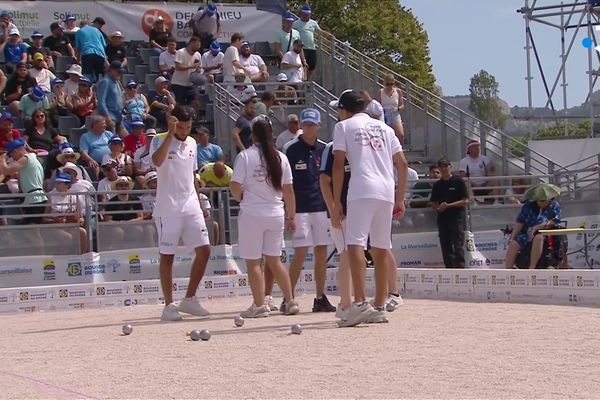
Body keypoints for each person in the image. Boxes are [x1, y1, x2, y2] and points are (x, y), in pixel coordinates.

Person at [331, 90, 408, 326]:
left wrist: (336, 202)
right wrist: (400, 198)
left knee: (355, 244)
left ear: (345, 109)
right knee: (381, 247)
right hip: (386, 189)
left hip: (361, 188)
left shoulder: (343, 127)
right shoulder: (385, 128)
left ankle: (360, 303)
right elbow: (402, 165)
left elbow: (337, 165)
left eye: (339, 109)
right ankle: (379, 305)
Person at [230, 116, 299, 318]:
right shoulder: (280, 157)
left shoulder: (245, 156)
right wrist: (292, 216)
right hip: (276, 212)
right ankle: (290, 300)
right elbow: (289, 191)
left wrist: (240, 197)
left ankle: (259, 304)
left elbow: (234, 185)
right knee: (275, 260)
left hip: (252, 213)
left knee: (253, 262)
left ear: (252, 135)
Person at [150, 105, 212, 321]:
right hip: (168, 207)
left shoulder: (193, 143)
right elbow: (157, 161)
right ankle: (168, 305)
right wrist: (170, 133)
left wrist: (201, 201)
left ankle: (190, 298)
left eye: (188, 127)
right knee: (168, 256)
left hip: (191, 204)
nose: (185, 132)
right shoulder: (159, 139)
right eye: (182, 127)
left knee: (204, 251)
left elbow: (193, 175)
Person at [283, 108, 336, 312]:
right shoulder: (291, 148)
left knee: (322, 251)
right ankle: (288, 297)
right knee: (301, 252)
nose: (308, 128)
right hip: (300, 208)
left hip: (321, 207)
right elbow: (286, 183)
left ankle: (320, 297)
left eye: (312, 124)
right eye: (305, 124)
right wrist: (290, 213)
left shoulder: (326, 149)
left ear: (319, 126)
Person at [430, 158, 469, 269]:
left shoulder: (459, 181)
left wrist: (449, 205)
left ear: (450, 167)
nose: (444, 169)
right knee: (445, 246)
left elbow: (466, 200)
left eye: (446, 166)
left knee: (458, 245)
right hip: (442, 219)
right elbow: (433, 203)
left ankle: (461, 269)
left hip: (456, 218)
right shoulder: (437, 185)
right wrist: (438, 207)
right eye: (441, 167)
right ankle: (450, 270)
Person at [505, 193, 561, 270]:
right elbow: (520, 222)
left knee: (538, 238)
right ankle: (508, 269)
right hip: (527, 233)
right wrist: (512, 236)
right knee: (514, 243)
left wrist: (536, 228)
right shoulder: (528, 206)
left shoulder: (554, 206)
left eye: (543, 200)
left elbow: (554, 221)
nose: (540, 203)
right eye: (538, 200)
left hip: (545, 233)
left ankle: (532, 268)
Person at [0, 139, 48, 224]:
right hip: (35, 198)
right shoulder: (33, 159)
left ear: (15, 151)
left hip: (34, 199)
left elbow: (7, 170)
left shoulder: (26, 158)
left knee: (31, 231)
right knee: (30, 231)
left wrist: (2, 158)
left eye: (12, 155)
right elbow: (16, 174)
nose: (13, 158)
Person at [43, 171, 87, 254]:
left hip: (70, 225)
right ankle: (65, 259)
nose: (57, 185)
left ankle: (82, 257)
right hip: (55, 227)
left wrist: (79, 220)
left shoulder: (75, 197)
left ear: (67, 185)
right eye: (57, 183)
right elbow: (44, 218)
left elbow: (81, 218)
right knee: (67, 237)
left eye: (60, 183)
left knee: (82, 232)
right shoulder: (51, 196)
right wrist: (55, 221)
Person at [293, 5, 329, 81]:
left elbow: (319, 31)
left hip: (311, 48)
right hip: (301, 48)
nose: (307, 16)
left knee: (312, 66)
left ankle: (308, 81)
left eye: (308, 15)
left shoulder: (313, 23)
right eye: (305, 14)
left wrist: (328, 35)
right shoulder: (296, 24)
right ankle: (301, 79)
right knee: (302, 65)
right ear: (302, 14)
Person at [171, 37, 202, 108]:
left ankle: (194, 117)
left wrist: (198, 71)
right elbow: (178, 67)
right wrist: (191, 66)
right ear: (191, 43)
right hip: (178, 84)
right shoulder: (181, 52)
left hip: (191, 84)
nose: (198, 47)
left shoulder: (198, 55)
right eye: (197, 45)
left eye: (199, 45)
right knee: (179, 105)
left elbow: (199, 67)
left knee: (196, 102)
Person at [75, 17, 107, 82]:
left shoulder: (79, 31)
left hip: (87, 54)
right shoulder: (97, 30)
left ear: (81, 26)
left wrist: (78, 61)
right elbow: (104, 45)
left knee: (87, 76)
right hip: (100, 55)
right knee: (99, 77)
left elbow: (78, 49)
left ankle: (88, 90)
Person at [97, 61, 124, 133]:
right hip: (110, 116)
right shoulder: (105, 81)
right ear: (111, 70)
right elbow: (101, 101)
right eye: (118, 72)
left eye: (121, 72)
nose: (120, 74)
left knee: (126, 138)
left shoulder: (116, 82)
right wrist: (106, 115)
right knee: (113, 140)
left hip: (119, 116)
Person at [380, 73, 405, 142]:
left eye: (391, 84)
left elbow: (402, 105)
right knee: (387, 135)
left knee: (401, 134)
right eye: (387, 84)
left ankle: (399, 149)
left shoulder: (398, 91)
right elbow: (378, 105)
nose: (389, 86)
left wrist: (398, 108)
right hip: (385, 113)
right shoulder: (381, 92)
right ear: (384, 83)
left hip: (395, 113)